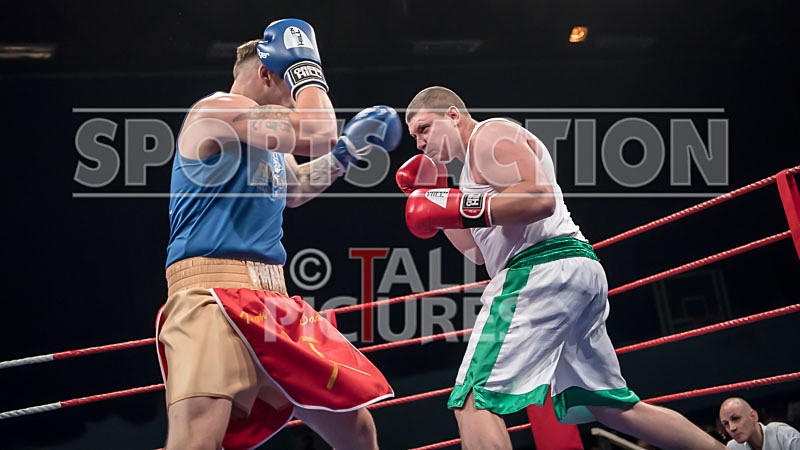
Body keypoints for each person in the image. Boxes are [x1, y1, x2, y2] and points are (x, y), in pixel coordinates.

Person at [396, 85, 726, 449]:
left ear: (453, 115)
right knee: (612, 408)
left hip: (541, 268)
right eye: (413, 136)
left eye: (424, 128)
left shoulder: (489, 135)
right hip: (568, 271)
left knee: (473, 400)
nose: (419, 143)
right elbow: (479, 252)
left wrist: (456, 206)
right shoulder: (469, 176)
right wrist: (439, 206)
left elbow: (540, 198)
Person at [157, 19, 401, 450]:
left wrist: (349, 152)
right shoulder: (216, 111)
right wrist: (307, 70)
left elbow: (295, 189)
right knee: (197, 441)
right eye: (290, 88)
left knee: (357, 428)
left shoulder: (263, 139)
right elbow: (317, 130)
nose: (296, 102)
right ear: (266, 74)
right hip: (211, 297)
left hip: (273, 303)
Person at [719, 397, 800, 449]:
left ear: (753, 416)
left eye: (736, 418)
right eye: (726, 424)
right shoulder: (734, 447)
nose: (732, 428)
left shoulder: (784, 435)